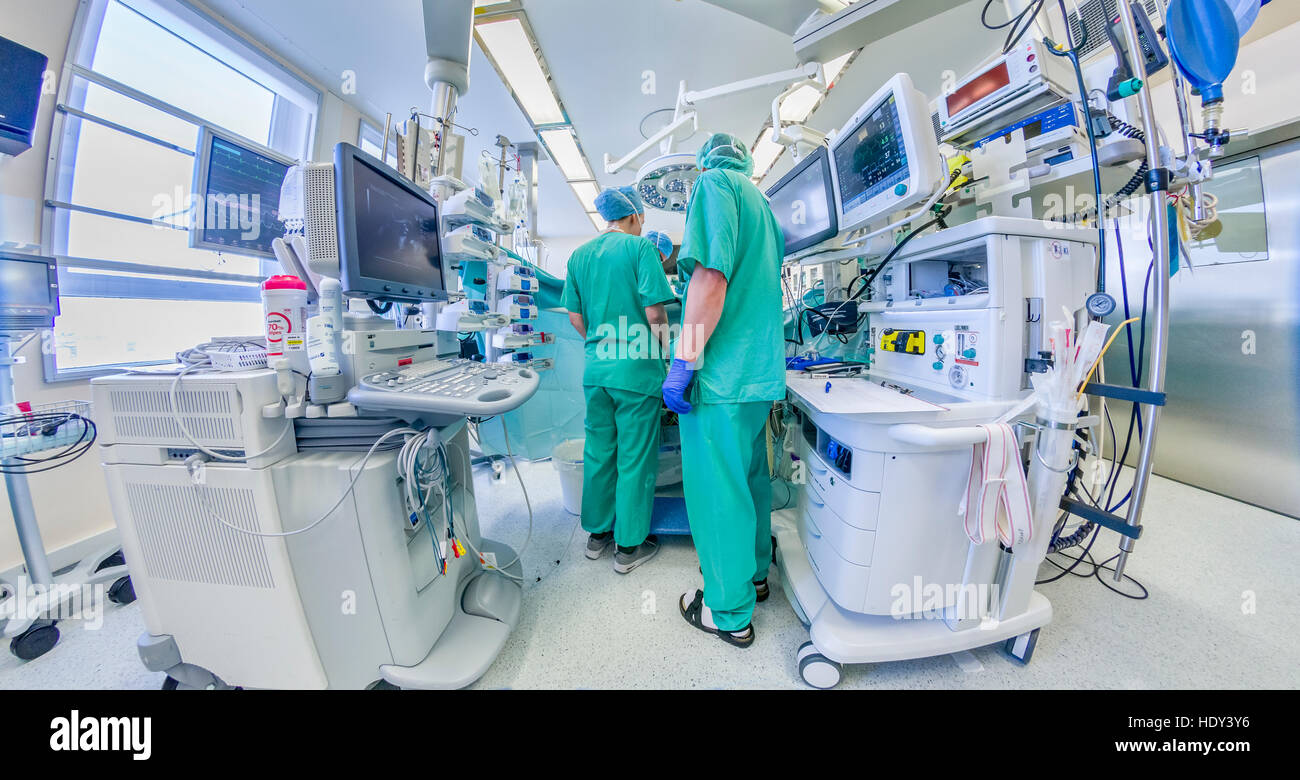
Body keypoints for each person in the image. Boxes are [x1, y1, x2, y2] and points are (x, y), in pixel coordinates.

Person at [662, 133, 786, 648]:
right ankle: (756, 576)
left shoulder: (713, 186)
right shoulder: (762, 204)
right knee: (751, 478)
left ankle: (727, 612)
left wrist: (684, 359)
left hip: (723, 375)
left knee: (718, 493)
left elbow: (710, 280)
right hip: (758, 376)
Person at [561, 185, 677, 574]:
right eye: (641, 219)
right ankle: (629, 548)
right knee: (635, 458)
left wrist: (600, 342)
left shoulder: (579, 256)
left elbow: (576, 319)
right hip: (635, 370)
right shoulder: (640, 249)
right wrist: (664, 352)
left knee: (598, 451)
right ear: (633, 216)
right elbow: (656, 314)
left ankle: (596, 535)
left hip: (596, 371)